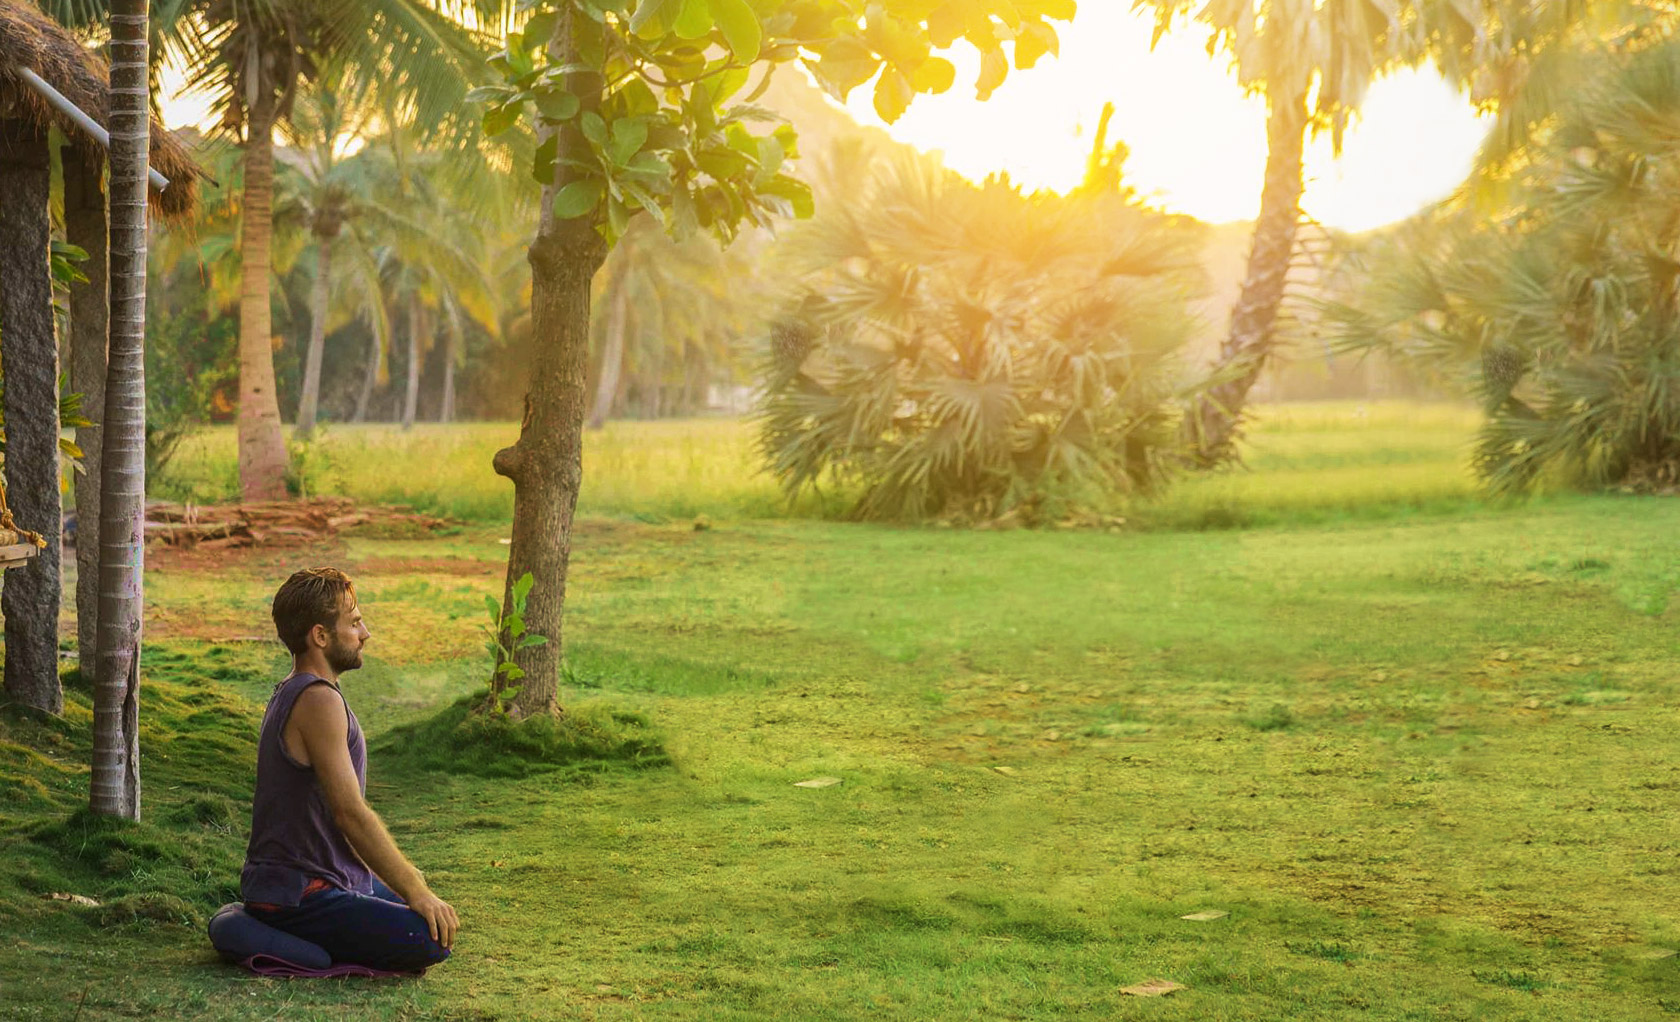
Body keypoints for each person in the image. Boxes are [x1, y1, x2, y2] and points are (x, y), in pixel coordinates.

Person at [239, 567, 458, 972]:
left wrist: (410, 884)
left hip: (304, 880)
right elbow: (349, 813)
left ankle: (282, 932)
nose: (365, 633)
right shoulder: (317, 701)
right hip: (299, 894)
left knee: (425, 906)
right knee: (427, 939)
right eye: (355, 622)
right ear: (320, 636)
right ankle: (286, 940)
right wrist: (414, 889)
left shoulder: (297, 690)